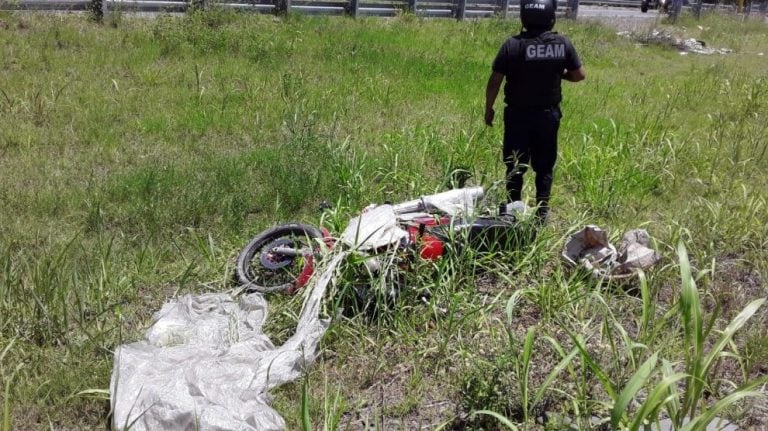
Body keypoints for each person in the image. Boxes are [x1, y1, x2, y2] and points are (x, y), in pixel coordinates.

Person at [484, 0, 585, 223]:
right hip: (547, 116)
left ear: (524, 18)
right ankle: (542, 212)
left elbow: (495, 81)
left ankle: (512, 210)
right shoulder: (562, 44)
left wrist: (488, 108)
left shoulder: (512, 45)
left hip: (517, 115)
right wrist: (560, 74)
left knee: (515, 164)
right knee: (544, 166)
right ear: (551, 18)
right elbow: (579, 75)